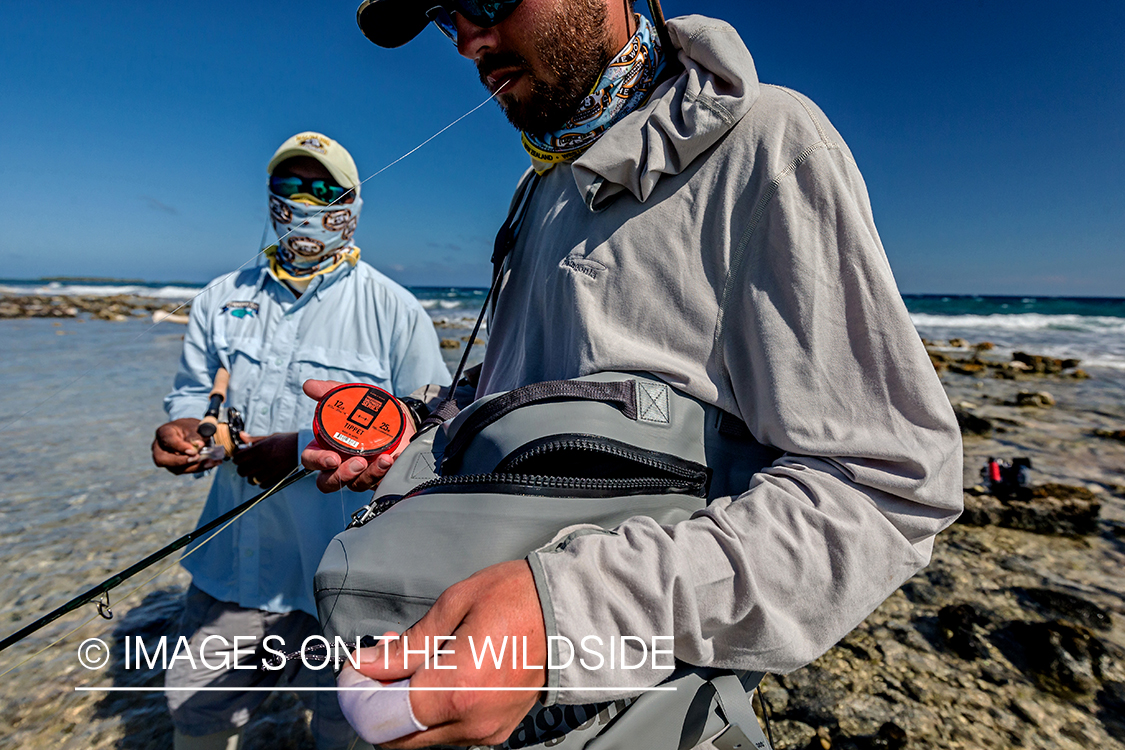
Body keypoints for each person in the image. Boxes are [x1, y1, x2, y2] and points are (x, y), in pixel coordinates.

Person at [303, 2, 964, 747]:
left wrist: (566, 617)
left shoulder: (769, 142)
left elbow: (884, 489)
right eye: (442, 17)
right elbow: (538, 389)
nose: (466, 42)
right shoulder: (538, 190)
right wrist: (423, 428)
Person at [152, 131, 451, 750]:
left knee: (346, 731)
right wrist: (181, 430)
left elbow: (429, 438)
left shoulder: (396, 310)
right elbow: (191, 395)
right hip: (233, 567)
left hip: (346, 580)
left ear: (352, 204)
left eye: (323, 189)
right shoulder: (220, 298)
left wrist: (293, 452)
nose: (304, 201)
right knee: (195, 716)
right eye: (289, 185)